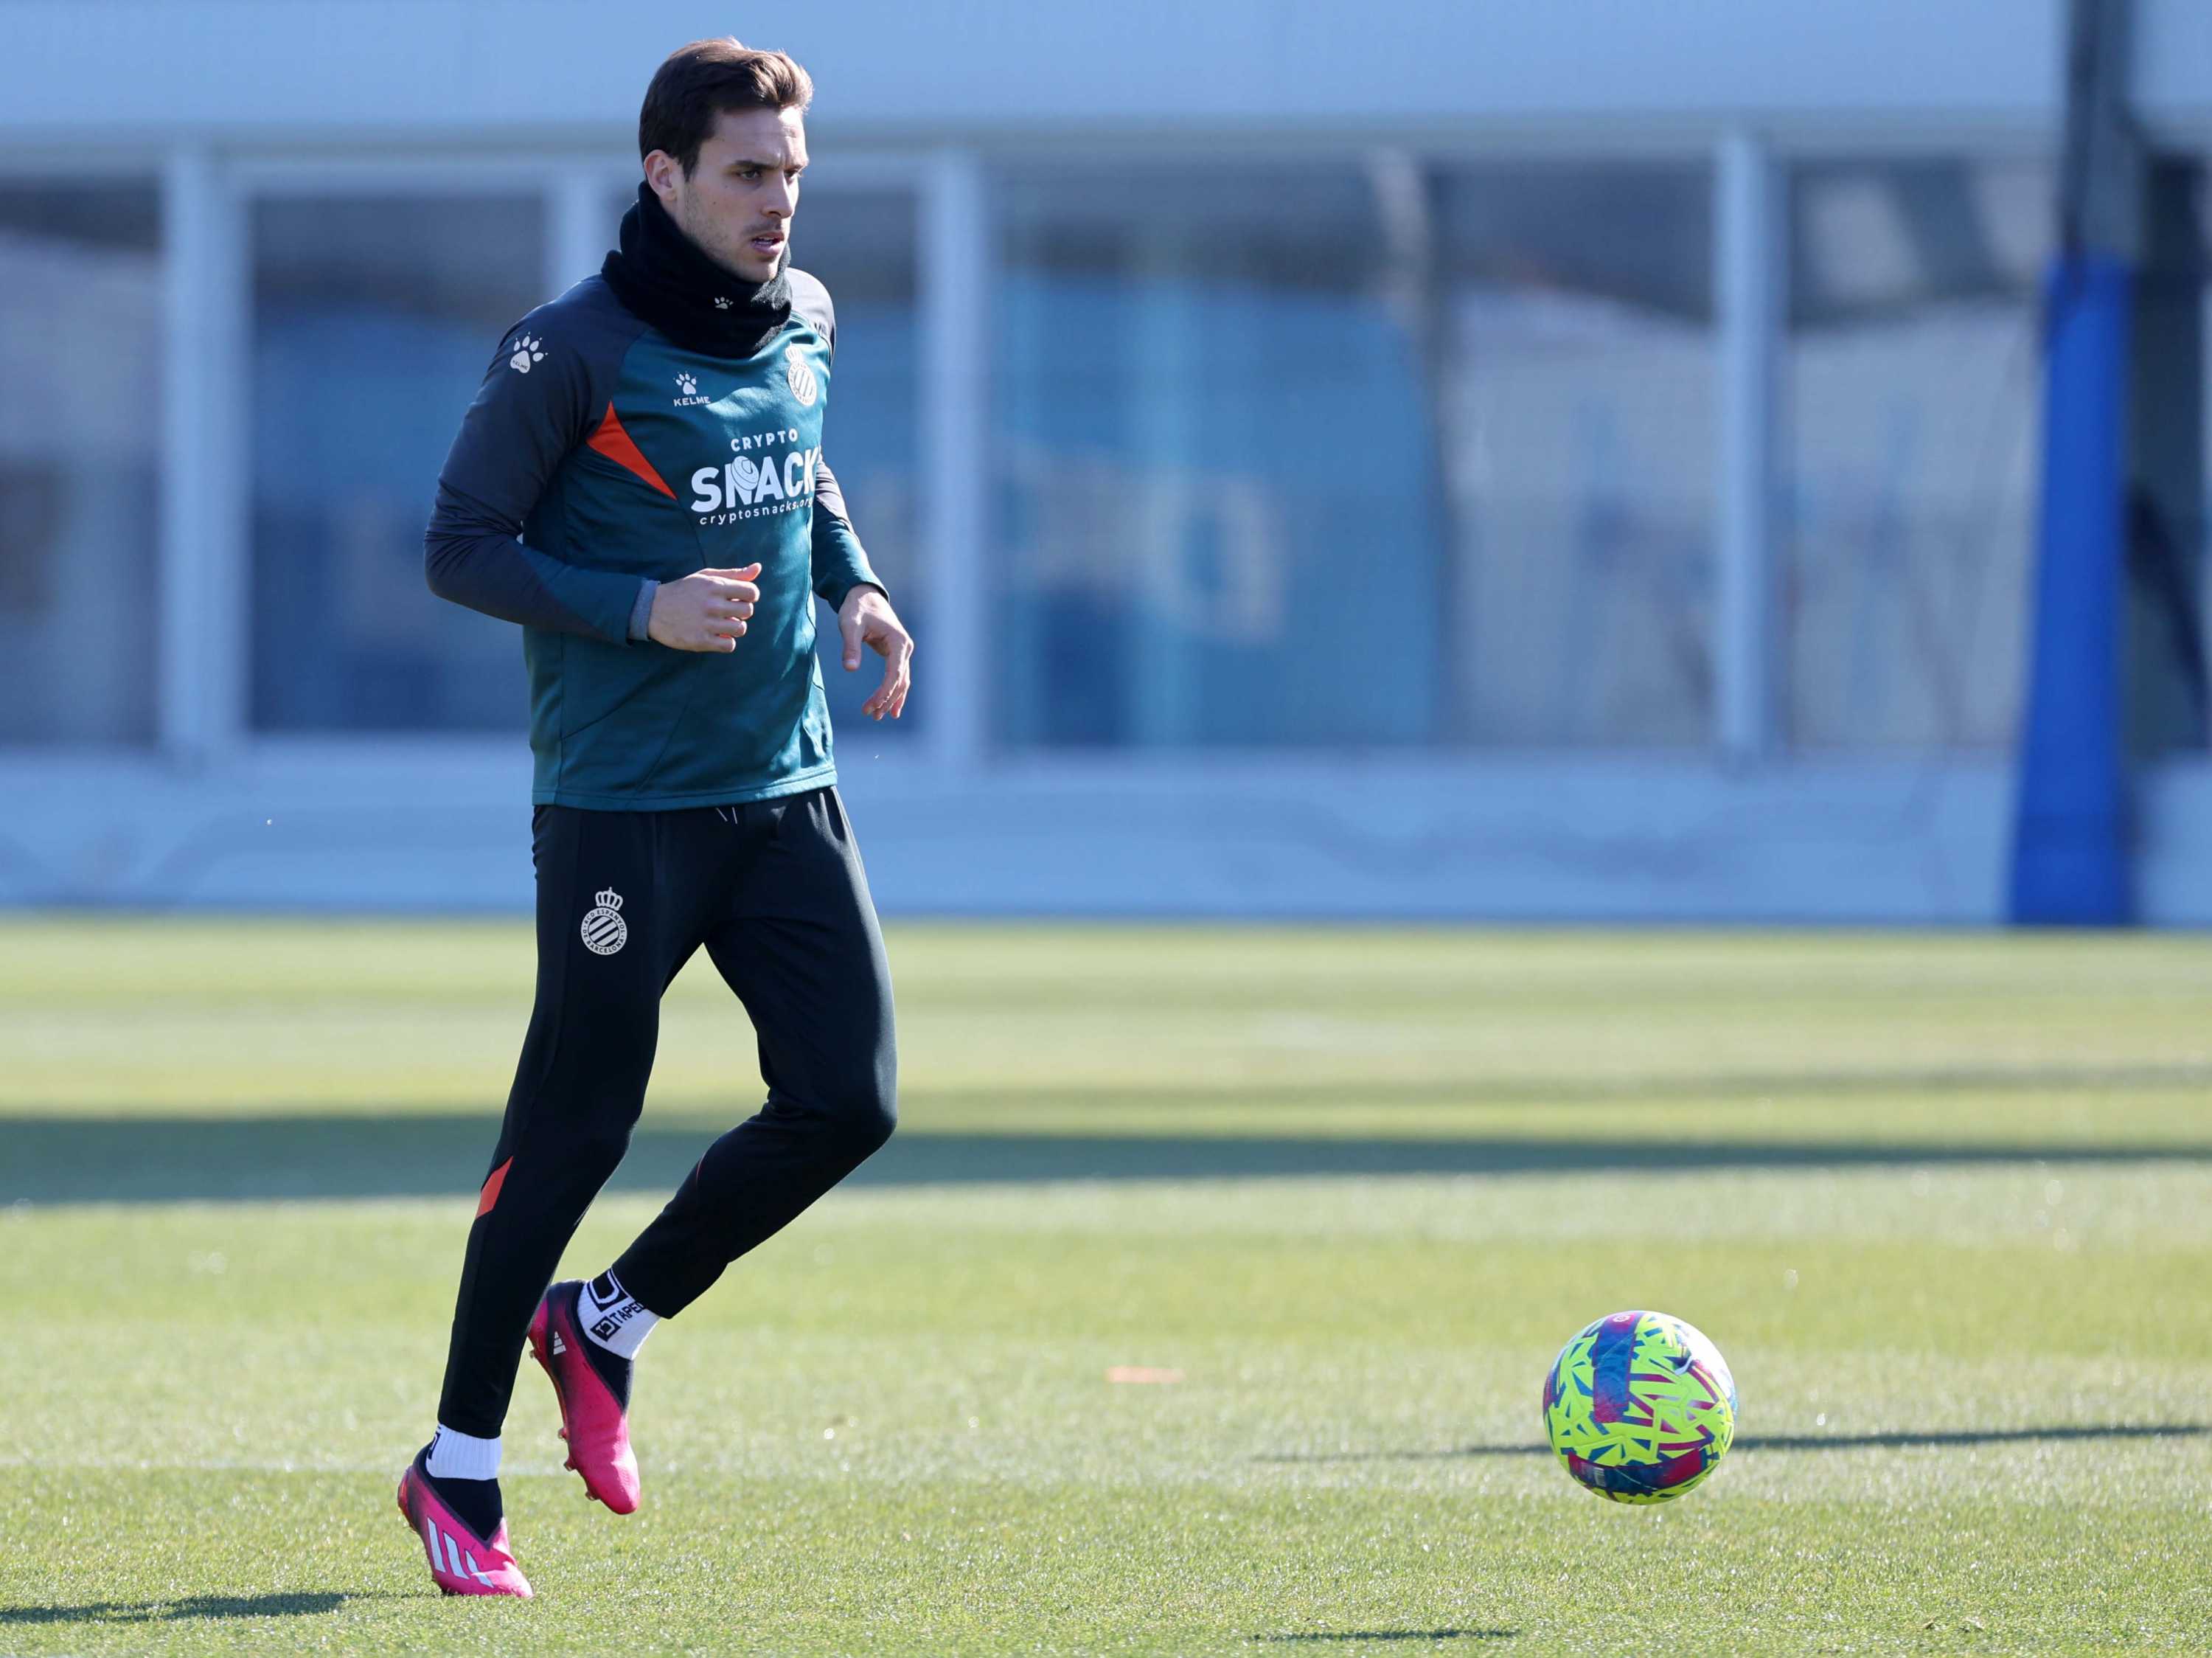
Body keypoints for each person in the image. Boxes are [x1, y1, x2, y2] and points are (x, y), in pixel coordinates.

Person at [397, 38, 912, 1598]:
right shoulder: (568, 351)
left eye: (793, 174)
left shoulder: (807, 314)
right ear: (664, 175)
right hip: (624, 812)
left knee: (849, 1099)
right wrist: (641, 606)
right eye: (748, 174)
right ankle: (457, 1466)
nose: (778, 203)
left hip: (786, 787)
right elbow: (459, 545)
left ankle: (604, 1321)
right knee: (573, 1131)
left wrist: (857, 585)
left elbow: (799, 468)